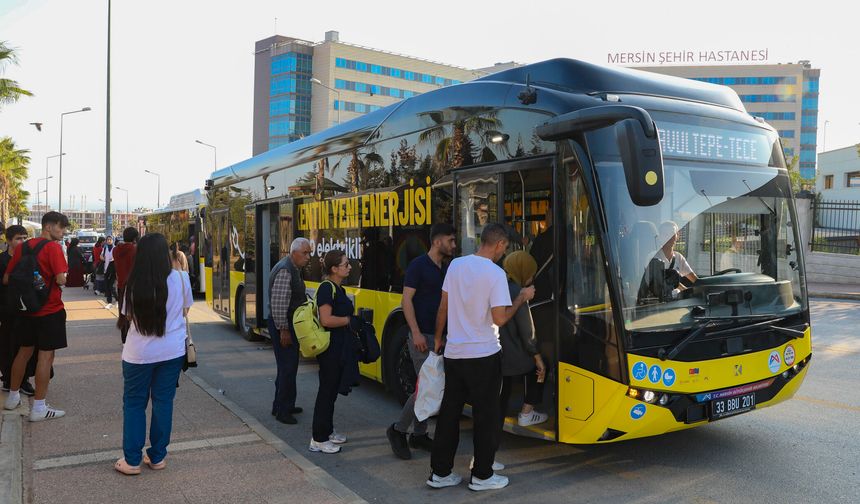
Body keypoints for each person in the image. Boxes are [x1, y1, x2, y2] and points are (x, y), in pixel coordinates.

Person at [428, 223, 535, 492]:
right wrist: (521, 298)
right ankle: (482, 476)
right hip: (484, 355)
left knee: (449, 414)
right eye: (505, 247)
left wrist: (439, 338)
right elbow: (500, 318)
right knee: (486, 416)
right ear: (499, 244)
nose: (504, 252)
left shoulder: (456, 266)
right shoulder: (495, 274)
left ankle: (440, 472)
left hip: (454, 353)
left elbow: (443, 307)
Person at [114, 233, 193, 475]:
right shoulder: (182, 278)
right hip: (172, 352)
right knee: (163, 402)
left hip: (139, 354)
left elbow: (128, 316)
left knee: (134, 404)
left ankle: (131, 461)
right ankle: (157, 457)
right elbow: (185, 310)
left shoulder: (133, 283)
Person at [386, 223, 456, 460]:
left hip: (439, 337)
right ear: (437, 241)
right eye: (450, 240)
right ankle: (398, 430)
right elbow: (406, 300)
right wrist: (415, 332)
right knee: (426, 387)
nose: (454, 245)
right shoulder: (418, 266)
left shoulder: (445, 268)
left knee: (430, 387)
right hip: (422, 336)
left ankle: (419, 434)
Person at [3, 212, 70, 422]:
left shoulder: (22, 247)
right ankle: (39, 407)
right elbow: (61, 279)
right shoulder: (53, 248)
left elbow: (7, 278)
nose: (63, 231)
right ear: (48, 227)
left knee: (23, 352)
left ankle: (13, 397)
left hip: (26, 310)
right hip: (49, 310)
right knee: (45, 357)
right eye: (61, 227)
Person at [309, 249, 361, 455]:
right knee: (326, 392)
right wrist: (349, 321)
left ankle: (327, 431)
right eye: (345, 264)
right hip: (330, 349)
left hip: (339, 348)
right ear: (334, 269)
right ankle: (318, 439)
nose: (349, 267)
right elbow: (326, 320)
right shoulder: (326, 288)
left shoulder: (338, 288)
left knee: (331, 392)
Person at [498, 251, 547, 434]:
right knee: (542, 367)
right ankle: (527, 412)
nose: (533, 278)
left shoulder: (499, 286)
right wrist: (538, 358)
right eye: (531, 273)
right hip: (514, 356)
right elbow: (527, 333)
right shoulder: (519, 293)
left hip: (498, 352)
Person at [268, 238, 312, 425]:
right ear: (294, 253)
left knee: (287, 367)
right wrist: (283, 330)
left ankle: (282, 404)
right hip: (284, 326)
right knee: (287, 368)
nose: (308, 257)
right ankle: (283, 411)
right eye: (305, 253)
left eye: (309, 253)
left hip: (286, 325)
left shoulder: (293, 267)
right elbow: (279, 304)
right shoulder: (286, 270)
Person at [0, 225, 36, 396]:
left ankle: (24, 380)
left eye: (24, 238)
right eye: (18, 238)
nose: (22, 241)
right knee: (7, 344)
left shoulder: (30, 258)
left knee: (25, 345)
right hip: (7, 309)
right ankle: (8, 379)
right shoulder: (2, 260)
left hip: (26, 308)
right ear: (8, 241)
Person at [113, 228, 138, 343]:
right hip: (133, 285)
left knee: (123, 312)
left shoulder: (115, 250)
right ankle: (131, 339)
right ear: (135, 238)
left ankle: (124, 338)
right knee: (132, 313)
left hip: (121, 285)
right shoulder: (135, 250)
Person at [102, 236, 117, 308]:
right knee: (107, 286)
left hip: (113, 270)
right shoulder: (105, 248)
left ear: (112, 240)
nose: (109, 241)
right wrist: (102, 258)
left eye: (110, 239)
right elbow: (101, 256)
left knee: (111, 286)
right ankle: (109, 302)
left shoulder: (115, 248)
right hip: (106, 269)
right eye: (107, 239)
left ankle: (117, 299)